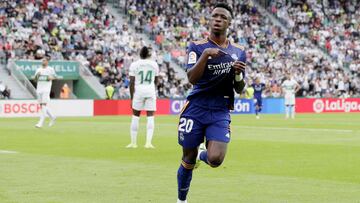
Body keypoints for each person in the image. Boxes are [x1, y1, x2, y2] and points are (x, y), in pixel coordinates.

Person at [176, 3, 246, 203]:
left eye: (223, 17)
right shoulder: (197, 47)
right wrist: (206, 55)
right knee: (187, 158)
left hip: (220, 109)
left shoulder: (239, 51)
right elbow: (192, 78)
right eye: (215, 16)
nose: (218, 19)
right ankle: (181, 200)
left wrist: (239, 75)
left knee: (215, 159)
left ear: (229, 23)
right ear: (210, 20)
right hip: (196, 108)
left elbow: (240, 88)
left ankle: (202, 156)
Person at [126, 46, 159, 149]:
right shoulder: (154, 65)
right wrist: (152, 88)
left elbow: (131, 82)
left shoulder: (134, 65)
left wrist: (132, 98)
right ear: (149, 55)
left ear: (140, 54)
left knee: (135, 116)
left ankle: (133, 143)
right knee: (150, 117)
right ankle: (148, 143)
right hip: (150, 91)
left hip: (139, 91)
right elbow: (156, 81)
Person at [33, 57, 57, 128]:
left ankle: (40, 123)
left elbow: (55, 76)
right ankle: (53, 117)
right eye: (42, 60)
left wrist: (50, 78)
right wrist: (38, 75)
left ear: (47, 62)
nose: (43, 61)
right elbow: (35, 79)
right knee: (42, 106)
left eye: (44, 60)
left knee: (43, 105)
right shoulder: (38, 69)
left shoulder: (50, 69)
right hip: (39, 89)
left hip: (46, 89)